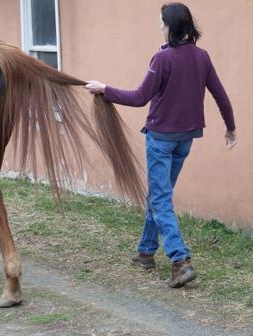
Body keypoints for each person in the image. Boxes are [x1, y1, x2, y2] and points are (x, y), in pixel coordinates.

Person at [85, 2, 236, 288]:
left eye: (161, 22)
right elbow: (221, 95)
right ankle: (145, 252)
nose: (159, 26)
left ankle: (180, 261)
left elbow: (140, 97)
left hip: (161, 139)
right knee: (159, 195)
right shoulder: (201, 56)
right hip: (186, 138)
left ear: (170, 26)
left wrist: (105, 89)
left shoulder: (162, 59)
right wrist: (230, 128)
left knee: (160, 198)